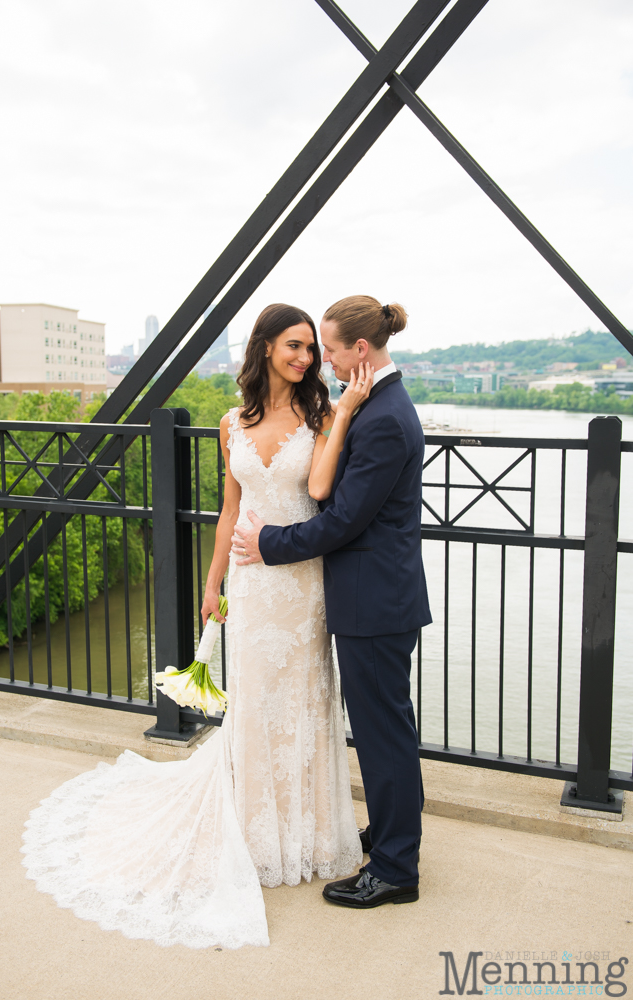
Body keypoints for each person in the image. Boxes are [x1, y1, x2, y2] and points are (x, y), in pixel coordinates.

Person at [21, 302, 371, 950]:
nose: (302, 358)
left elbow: (324, 495)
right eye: (292, 346)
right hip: (252, 584)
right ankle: (253, 832)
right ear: (265, 347)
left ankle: (306, 833)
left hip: (302, 583)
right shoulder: (229, 422)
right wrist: (213, 584)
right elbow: (228, 509)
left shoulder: (322, 417)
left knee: (304, 701)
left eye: (309, 350)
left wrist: (345, 410)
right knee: (254, 704)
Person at [232, 294, 432, 909]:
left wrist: (269, 542)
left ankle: (396, 868)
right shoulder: (377, 407)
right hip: (376, 597)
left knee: (383, 734)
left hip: (375, 601)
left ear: (360, 350)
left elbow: (343, 519)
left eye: (330, 348)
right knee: (383, 728)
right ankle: (390, 833)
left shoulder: (383, 419)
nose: (323, 358)